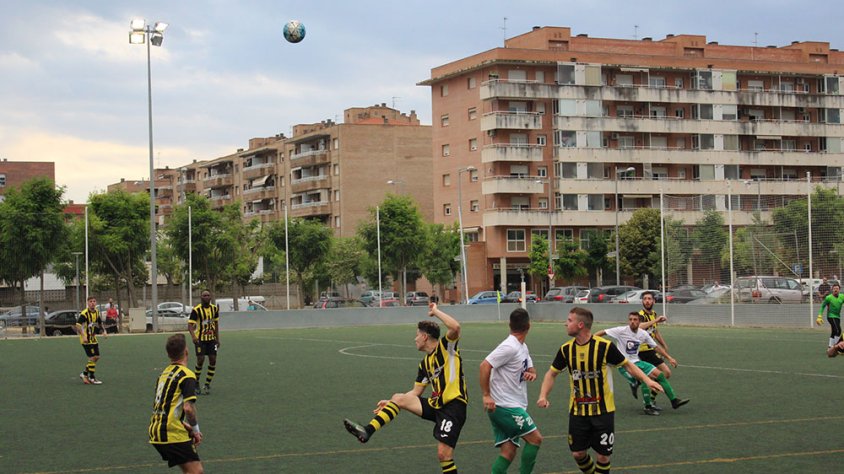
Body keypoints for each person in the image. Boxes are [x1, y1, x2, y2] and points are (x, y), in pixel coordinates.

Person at [343, 302, 467, 474]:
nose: (414, 339)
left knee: (444, 455)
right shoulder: (424, 364)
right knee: (399, 397)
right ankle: (367, 431)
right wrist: (393, 402)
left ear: (424, 337)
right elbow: (415, 393)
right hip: (435, 405)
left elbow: (456, 327)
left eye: (417, 335)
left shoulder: (446, 348)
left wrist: (436, 311)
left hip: (453, 406)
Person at [537, 307, 662, 474]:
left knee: (603, 457)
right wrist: (543, 395)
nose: (565, 324)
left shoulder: (604, 346)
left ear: (580, 324)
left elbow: (627, 365)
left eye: (569, 321)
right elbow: (551, 374)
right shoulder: (566, 349)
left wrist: (647, 380)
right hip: (577, 411)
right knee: (578, 453)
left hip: (603, 411)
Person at [480, 307, 543, 473]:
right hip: (504, 406)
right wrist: (486, 395)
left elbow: (531, 369)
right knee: (535, 439)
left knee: (508, 452)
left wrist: (532, 374)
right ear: (529, 326)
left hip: (508, 405)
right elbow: (484, 365)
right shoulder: (510, 346)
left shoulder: (522, 346)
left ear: (510, 325)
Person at [595, 312, 690, 416]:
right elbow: (602, 332)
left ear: (639, 322)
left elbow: (655, 347)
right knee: (645, 379)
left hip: (637, 362)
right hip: (624, 364)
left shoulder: (643, 333)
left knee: (661, 376)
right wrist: (592, 340)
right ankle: (647, 406)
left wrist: (669, 357)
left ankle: (674, 401)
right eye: (630, 319)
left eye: (635, 319)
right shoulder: (621, 330)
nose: (632, 322)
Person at [149, 333, 204, 473]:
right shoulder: (187, 375)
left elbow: (165, 406)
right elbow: (188, 408)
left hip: (155, 431)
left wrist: (185, 426)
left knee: (190, 470)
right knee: (196, 471)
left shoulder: (163, 374)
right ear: (186, 351)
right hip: (171, 433)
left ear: (168, 354)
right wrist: (196, 430)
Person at [634, 290, 673, 408]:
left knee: (663, 374)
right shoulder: (640, 315)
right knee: (664, 373)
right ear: (642, 301)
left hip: (651, 349)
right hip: (641, 350)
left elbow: (655, 331)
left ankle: (648, 396)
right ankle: (648, 399)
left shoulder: (653, 314)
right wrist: (656, 320)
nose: (647, 301)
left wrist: (664, 345)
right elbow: (640, 326)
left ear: (654, 301)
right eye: (645, 299)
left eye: (649, 299)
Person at [188, 290, 220, 395]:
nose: (206, 297)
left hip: (211, 340)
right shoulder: (196, 310)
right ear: (201, 297)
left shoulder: (214, 309)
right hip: (200, 340)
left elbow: (216, 324)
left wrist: (217, 338)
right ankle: (196, 382)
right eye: (204, 295)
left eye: (208, 295)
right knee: (200, 360)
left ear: (210, 297)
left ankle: (207, 384)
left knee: (213, 360)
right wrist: (193, 337)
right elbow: (190, 325)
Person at [76, 296, 106, 385]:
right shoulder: (84, 313)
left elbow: (100, 323)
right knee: (92, 357)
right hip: (85, 339)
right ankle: (92, 377)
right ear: (88, 303)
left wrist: (104, 331)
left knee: (96, 357)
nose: (92, 303)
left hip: (93, 338)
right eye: (90, 301)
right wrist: (83, 335)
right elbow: (78, 325)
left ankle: (84, 374)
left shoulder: (96, 312)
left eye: (94, 301)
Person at [817, 283, 844, 348]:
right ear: (832, 289)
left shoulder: (842, 296)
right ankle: (837, 347)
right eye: (834, 288)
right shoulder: (828, 298)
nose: (835, 290)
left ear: (839, 290)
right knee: (838, 330)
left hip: (837, 316)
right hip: (830, 316)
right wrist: (819, 316)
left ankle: (830, 346)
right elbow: (822, 306)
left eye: (837, 288)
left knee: (834, 331)